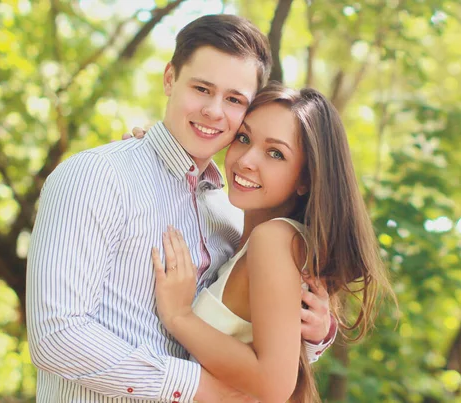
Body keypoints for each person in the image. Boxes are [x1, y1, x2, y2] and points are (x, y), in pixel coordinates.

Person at [26, 15, 335, 402]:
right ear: (170, 78)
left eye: (235, 99)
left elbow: (252, 349)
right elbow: (56, 337)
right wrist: (201, 390)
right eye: (202, 88)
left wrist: (315, 332)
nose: (214, 111)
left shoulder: (229, 218)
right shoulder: (97, 177)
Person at [149, 83, 396, 402]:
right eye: (244, 138)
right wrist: (151, 154)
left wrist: (179, 316)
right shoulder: (253, 236)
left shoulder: (274, 239)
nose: (246, 160)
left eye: (275, 153)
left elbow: (273, 384)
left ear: (306, 178)